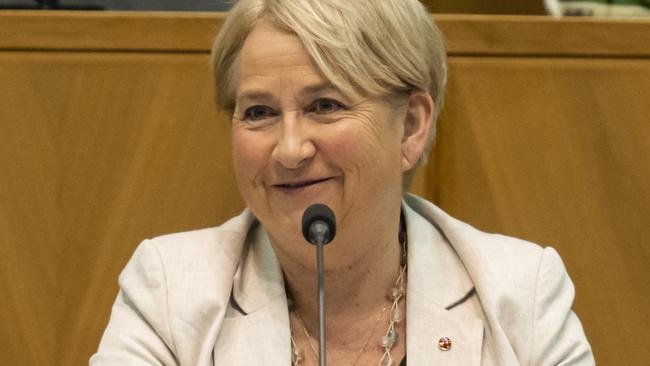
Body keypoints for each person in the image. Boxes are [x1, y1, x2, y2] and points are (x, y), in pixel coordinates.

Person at [90, 0, 595, 365]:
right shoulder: (170, 292)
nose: (289, 150)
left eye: (325, 106)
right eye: (259, 112)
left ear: (412, 126)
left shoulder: (519, 294)